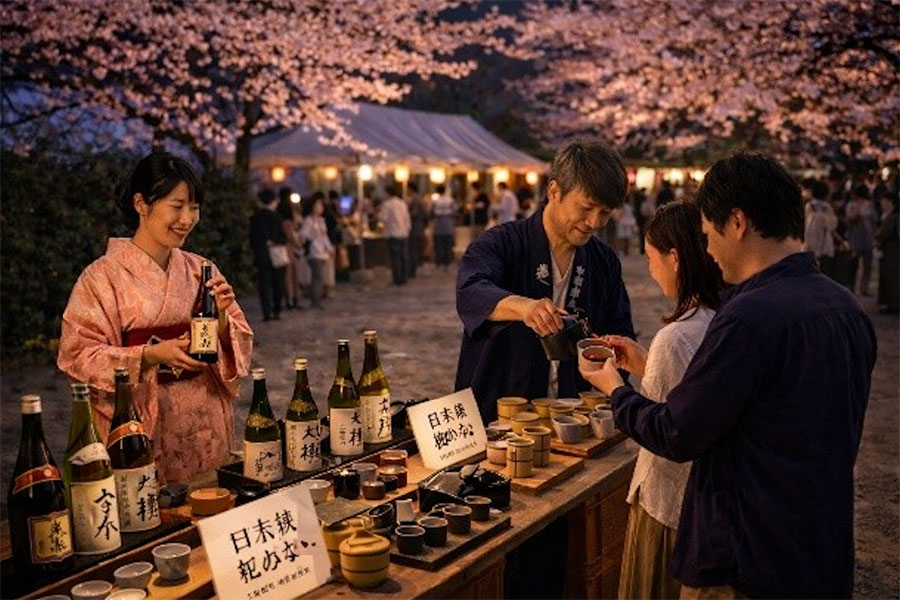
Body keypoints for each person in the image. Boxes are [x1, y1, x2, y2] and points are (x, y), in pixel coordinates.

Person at [580, 152, 876, 598]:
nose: (710, 251)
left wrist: (615, 391)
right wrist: (644, 368)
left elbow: (678, 433)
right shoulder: (845, 307)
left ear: (737, 222)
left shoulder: (749, 317)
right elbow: (763, 407)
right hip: (817, 549)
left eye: (708, 233)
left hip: (746, 558)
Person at [57, 151, 254, 483]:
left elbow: (240, 338)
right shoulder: (100, 279)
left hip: (204, 424)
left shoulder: (200, 269)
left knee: (208, 511)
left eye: (194, 207)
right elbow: (77, 355)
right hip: (141, 424)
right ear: (141, 204)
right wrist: (148, 355)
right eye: (177, 206)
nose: (188, 218)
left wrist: (221, 323)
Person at [456, 139, 635, 423]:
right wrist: (524, 308)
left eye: (605, 212)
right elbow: (471, 291)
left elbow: (621, 329)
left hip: (575, 415)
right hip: (502, 412)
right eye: (586, 208)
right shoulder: (501, 243)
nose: (594, 223)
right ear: (554, 191)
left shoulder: (604, 260)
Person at [598, 201, 723, 598]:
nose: (650, 271)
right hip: (703, 504)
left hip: (668, 503)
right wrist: (643, 363)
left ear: (675, 258)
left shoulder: (677, 335)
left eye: (652, 258)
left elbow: (668, 428)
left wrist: (613, 386)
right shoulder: (722, 318)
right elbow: (697, 396)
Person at [249, 188, 287, 321]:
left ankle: (267, 312)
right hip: (277, 255)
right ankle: (277, 310)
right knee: (278, 284)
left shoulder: (255, 217)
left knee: (264, 285)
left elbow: (252, 238)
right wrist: (274, 241)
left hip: (262, 256)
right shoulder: (277, 217)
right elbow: (283, 238)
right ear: (274, 201)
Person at [300, 195, 334, 309]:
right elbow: (303, 234)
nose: (321, 207)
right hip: (314, 252)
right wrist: (313, 236)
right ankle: (315, 300)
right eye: (318, 205)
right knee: (317, 276)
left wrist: (329, 248)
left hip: (322, 252)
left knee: (319, 276)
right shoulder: (309, 220)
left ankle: (317, 299)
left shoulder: (321, 220)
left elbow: (324, 236)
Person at [802, 179, 837, 278]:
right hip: (825, 244)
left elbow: (805, 224)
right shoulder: (827, 207)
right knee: (825, 274)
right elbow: (832, 225)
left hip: (810, 242)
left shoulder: (809, 206)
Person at [846, 184, 876, 296]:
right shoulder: (852, 205)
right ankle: (853, 288)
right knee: (854, 265)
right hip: (856, 238)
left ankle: (864, 288)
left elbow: (874, 221)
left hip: (866, 238)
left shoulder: (869, 205)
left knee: (867, 265)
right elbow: (850, 219)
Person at [380, 184, 411, 286]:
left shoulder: (387, 204)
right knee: (403, 256)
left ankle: (397, 278)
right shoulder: (402, 203)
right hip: (403, 233)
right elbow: (407, 219)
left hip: (392, 233)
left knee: (395, 257)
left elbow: (384, 219)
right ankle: (404, 277)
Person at [278, 187, 303, 310]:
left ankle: (289, 298)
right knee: (291, 275)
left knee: (287, 276)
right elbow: (292, 235)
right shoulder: (288, 219)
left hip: (284, 248)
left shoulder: (278, 214)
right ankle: (292, 299)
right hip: (290, 249)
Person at [875, 191, 899, 313]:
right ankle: (890, 303)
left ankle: (894, 304)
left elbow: (885, 233)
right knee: (889, 276)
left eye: (884, 200)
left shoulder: (894, 216)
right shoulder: (887, 215)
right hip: (888, 249)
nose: (881, 203)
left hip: (893, 250)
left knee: (893, 277)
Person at [431, 184, 455, 269]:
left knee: (438, 246)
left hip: (438, 226)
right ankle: (447, 263)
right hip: (448, 225)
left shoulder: (435, 201)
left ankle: (438, 262)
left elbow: (431, 213)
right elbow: (454, 212)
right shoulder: (450, 200)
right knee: (447, 246)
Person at [407, 182, 428, 278]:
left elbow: (414, 214)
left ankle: (413, 270)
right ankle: (415, 268)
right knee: (417, 249)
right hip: (420, 227)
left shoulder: (415, 200)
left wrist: (406, 214)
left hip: (415, 227)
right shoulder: (420, 200)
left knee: (413, 249)